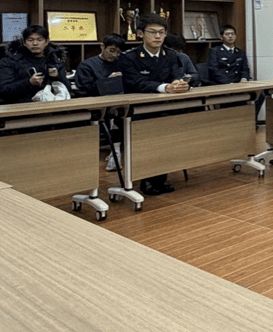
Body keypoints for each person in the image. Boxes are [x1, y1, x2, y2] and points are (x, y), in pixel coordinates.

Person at [117, 13, 189, 196]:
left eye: (162, 32)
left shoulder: (171, 55)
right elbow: (135, 82)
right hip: (139, 110)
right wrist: (165, 87)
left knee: (167, 139)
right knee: (147, 141)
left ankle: (161, 177)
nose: (158, 36)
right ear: (140, 33)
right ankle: (146, 179)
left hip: (166, 107)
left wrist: (180, 84)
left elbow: (177, 75)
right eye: (153, 32)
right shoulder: (129, 57)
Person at [73, 33, 127, 171]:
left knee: (122, 112)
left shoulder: (122, 63)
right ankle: (115, 152)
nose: (114, 55)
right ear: (102, 46)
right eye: (111, 50)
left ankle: (117, 151)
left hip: (120, 100)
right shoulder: (87, 65)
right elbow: (85, 89)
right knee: (113, 114)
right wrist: (107, 82)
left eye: (118, 52)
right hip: (97, 103)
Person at [0, 25, 71, 104]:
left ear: (46, 42)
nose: (35, 43)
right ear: (24, 42)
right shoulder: (9, 61)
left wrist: (57, 77)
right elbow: (3, 89)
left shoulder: (55, 60)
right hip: (21, 106)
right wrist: (29, 82)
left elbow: (68, 89)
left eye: (40, 40)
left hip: (51, 105)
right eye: (30, 40)